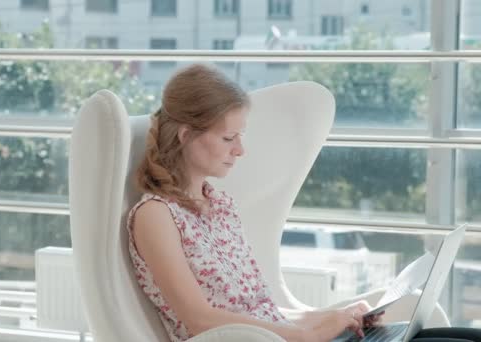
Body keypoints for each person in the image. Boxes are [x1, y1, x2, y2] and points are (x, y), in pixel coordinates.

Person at [126, 63, 481, 342]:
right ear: (186, 135)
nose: (240, 150)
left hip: (279, 338)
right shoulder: (156, 215)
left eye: (241, 136)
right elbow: (199, 319)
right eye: (229, 137)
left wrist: (335, 317)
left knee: (463, 336)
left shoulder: (219, 205)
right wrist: (306, 337)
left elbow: (264, 310)